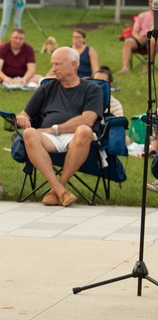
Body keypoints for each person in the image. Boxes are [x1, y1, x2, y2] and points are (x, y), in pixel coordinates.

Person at [16, 46, 104, 207]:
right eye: (52, 64)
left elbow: (88, 120)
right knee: (28, 133)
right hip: (50, 139)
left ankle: (56, 189)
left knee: (84, 130)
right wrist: (22, 118)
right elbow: (25, 114)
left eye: (58, 64)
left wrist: (54, 129)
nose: (53, 69)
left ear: (73, 65)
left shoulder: (92, 89)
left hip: (76, 139)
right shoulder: (46, 88)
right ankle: (60, 191)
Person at [119, 0, 158, 74]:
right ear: (148, 3)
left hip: (154, 40)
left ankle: (147, 67)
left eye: (155, 2)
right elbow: (134, 31)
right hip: (141, 39)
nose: (153, 3)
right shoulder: (142, 15)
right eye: (151, 1)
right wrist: (138, 37)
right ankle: (125, 68)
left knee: (153, 40)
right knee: (128, 41)